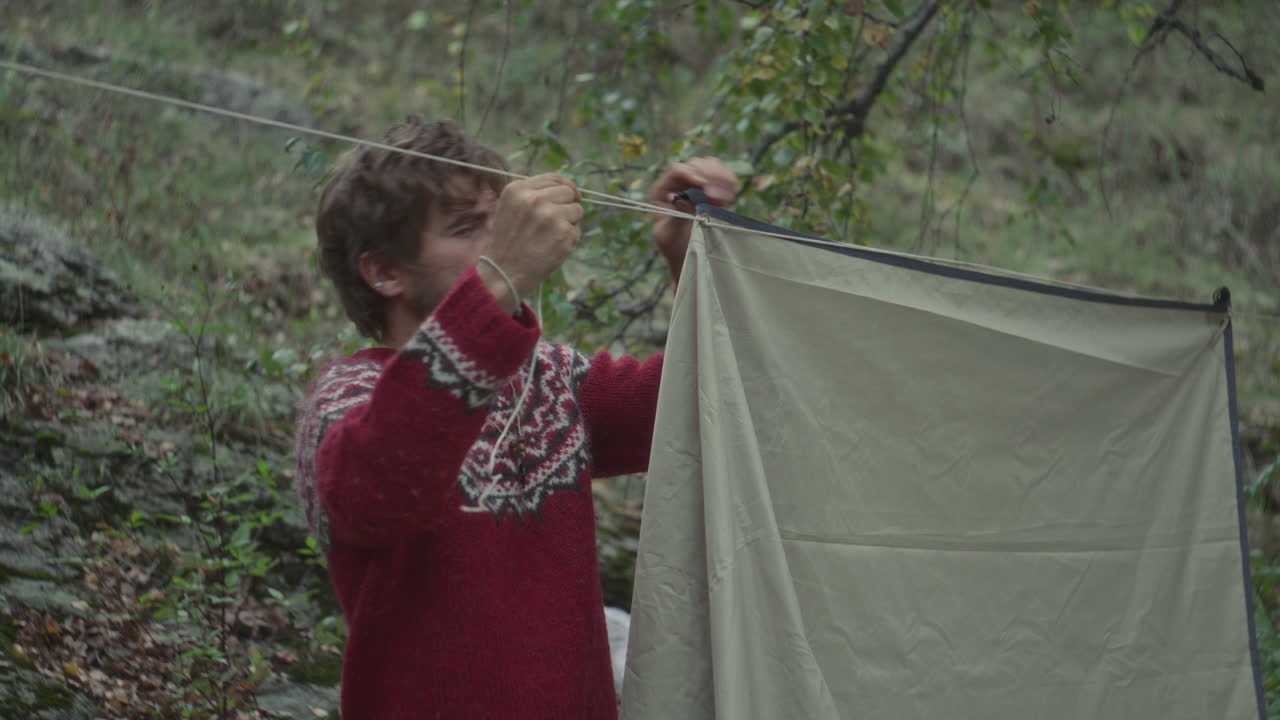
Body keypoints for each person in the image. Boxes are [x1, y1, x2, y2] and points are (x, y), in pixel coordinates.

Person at [293, 116, 736, 719]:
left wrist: (692, 261)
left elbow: (699, 405)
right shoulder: (348, 398)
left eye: (498, 222)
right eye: (467, 228)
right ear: (384, 272)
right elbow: (375, 490)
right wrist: (499, 280)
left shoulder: (548, 376)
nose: (500, 242)